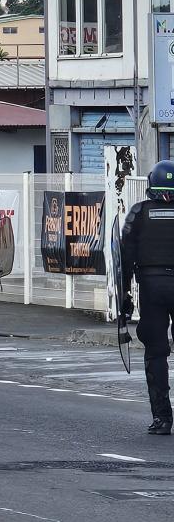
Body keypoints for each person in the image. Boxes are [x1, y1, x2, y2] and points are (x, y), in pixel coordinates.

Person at [120, 160, 174, 435]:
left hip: (152, 286)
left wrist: (124, 296)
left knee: (155, 352)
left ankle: (163, 418)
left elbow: (124, 259)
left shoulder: (139, 213)